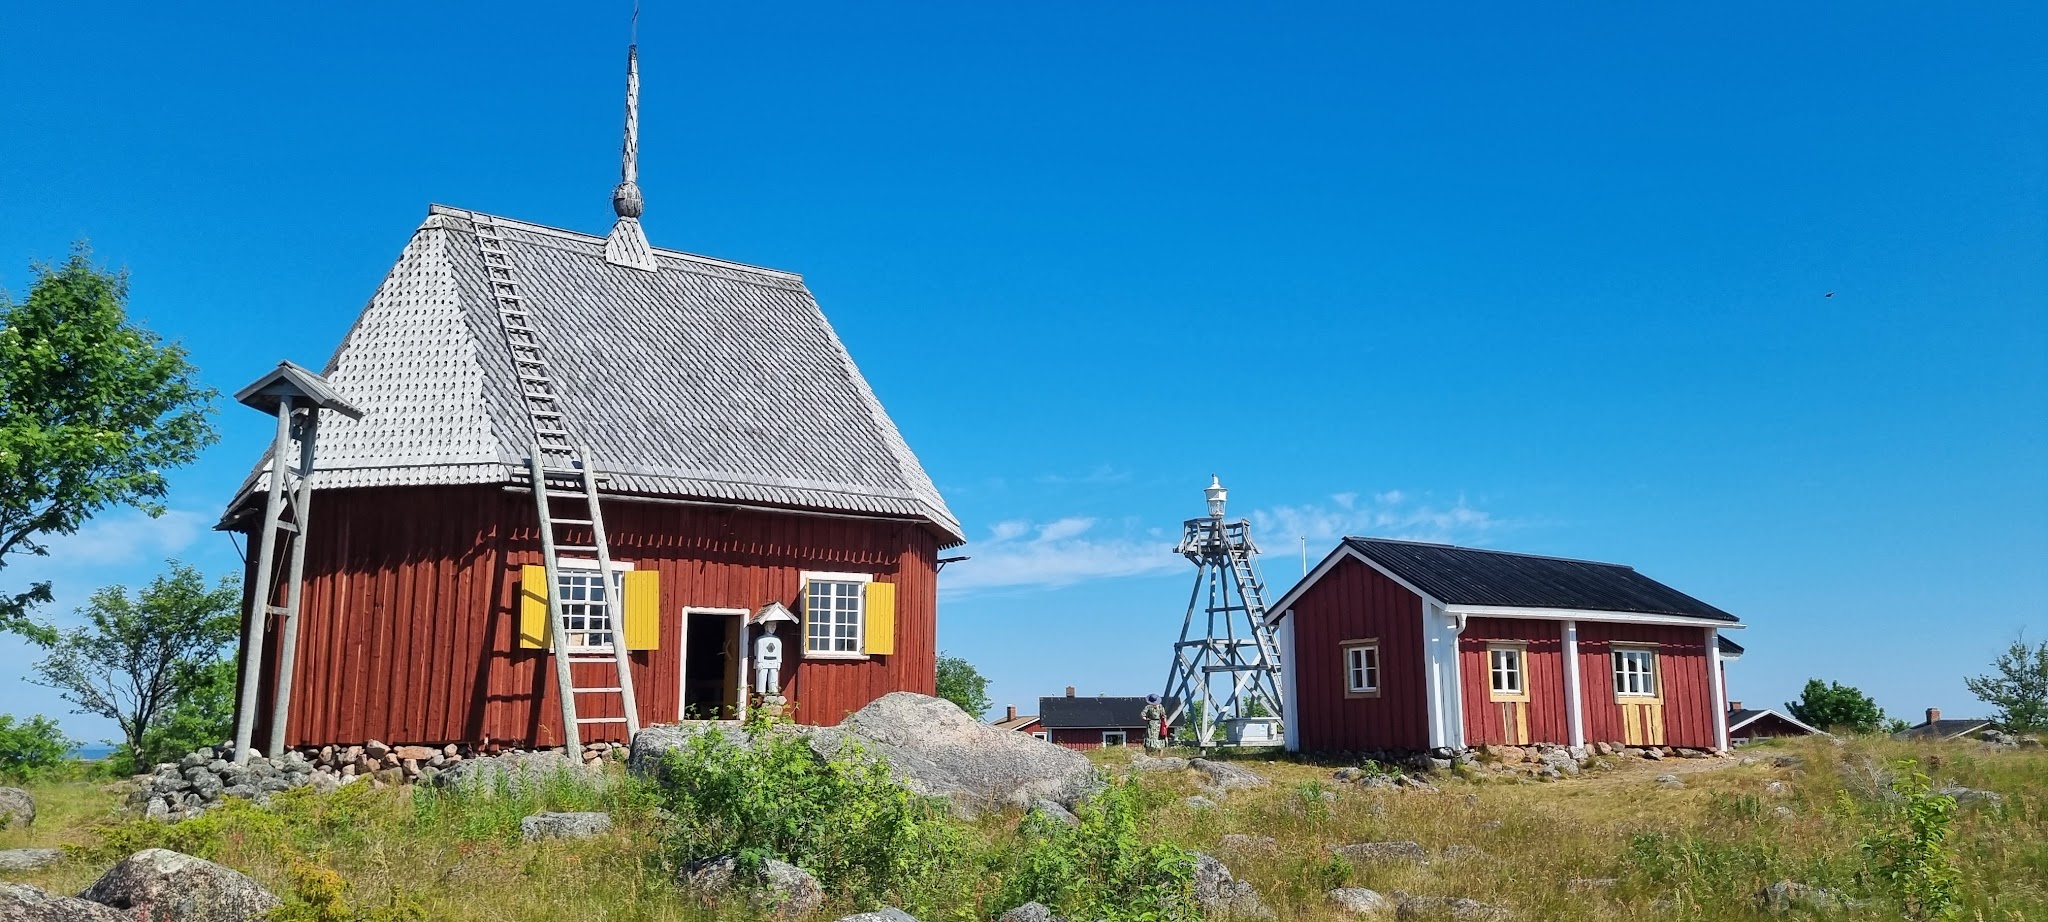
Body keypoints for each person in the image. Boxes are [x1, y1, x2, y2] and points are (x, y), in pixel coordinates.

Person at [753, 622, 783, 696]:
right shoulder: (760, 640)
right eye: (771, 626)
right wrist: (759, 662)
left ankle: (773, 690)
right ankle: (761, 689)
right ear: (766, 627)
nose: (773, 628)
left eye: (774, 626)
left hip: (774, 660)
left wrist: (779, 662)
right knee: (762, 675)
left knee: (773, 676)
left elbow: (779, 652)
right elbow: (759, 651)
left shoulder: (777, 640)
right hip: (764, 661)